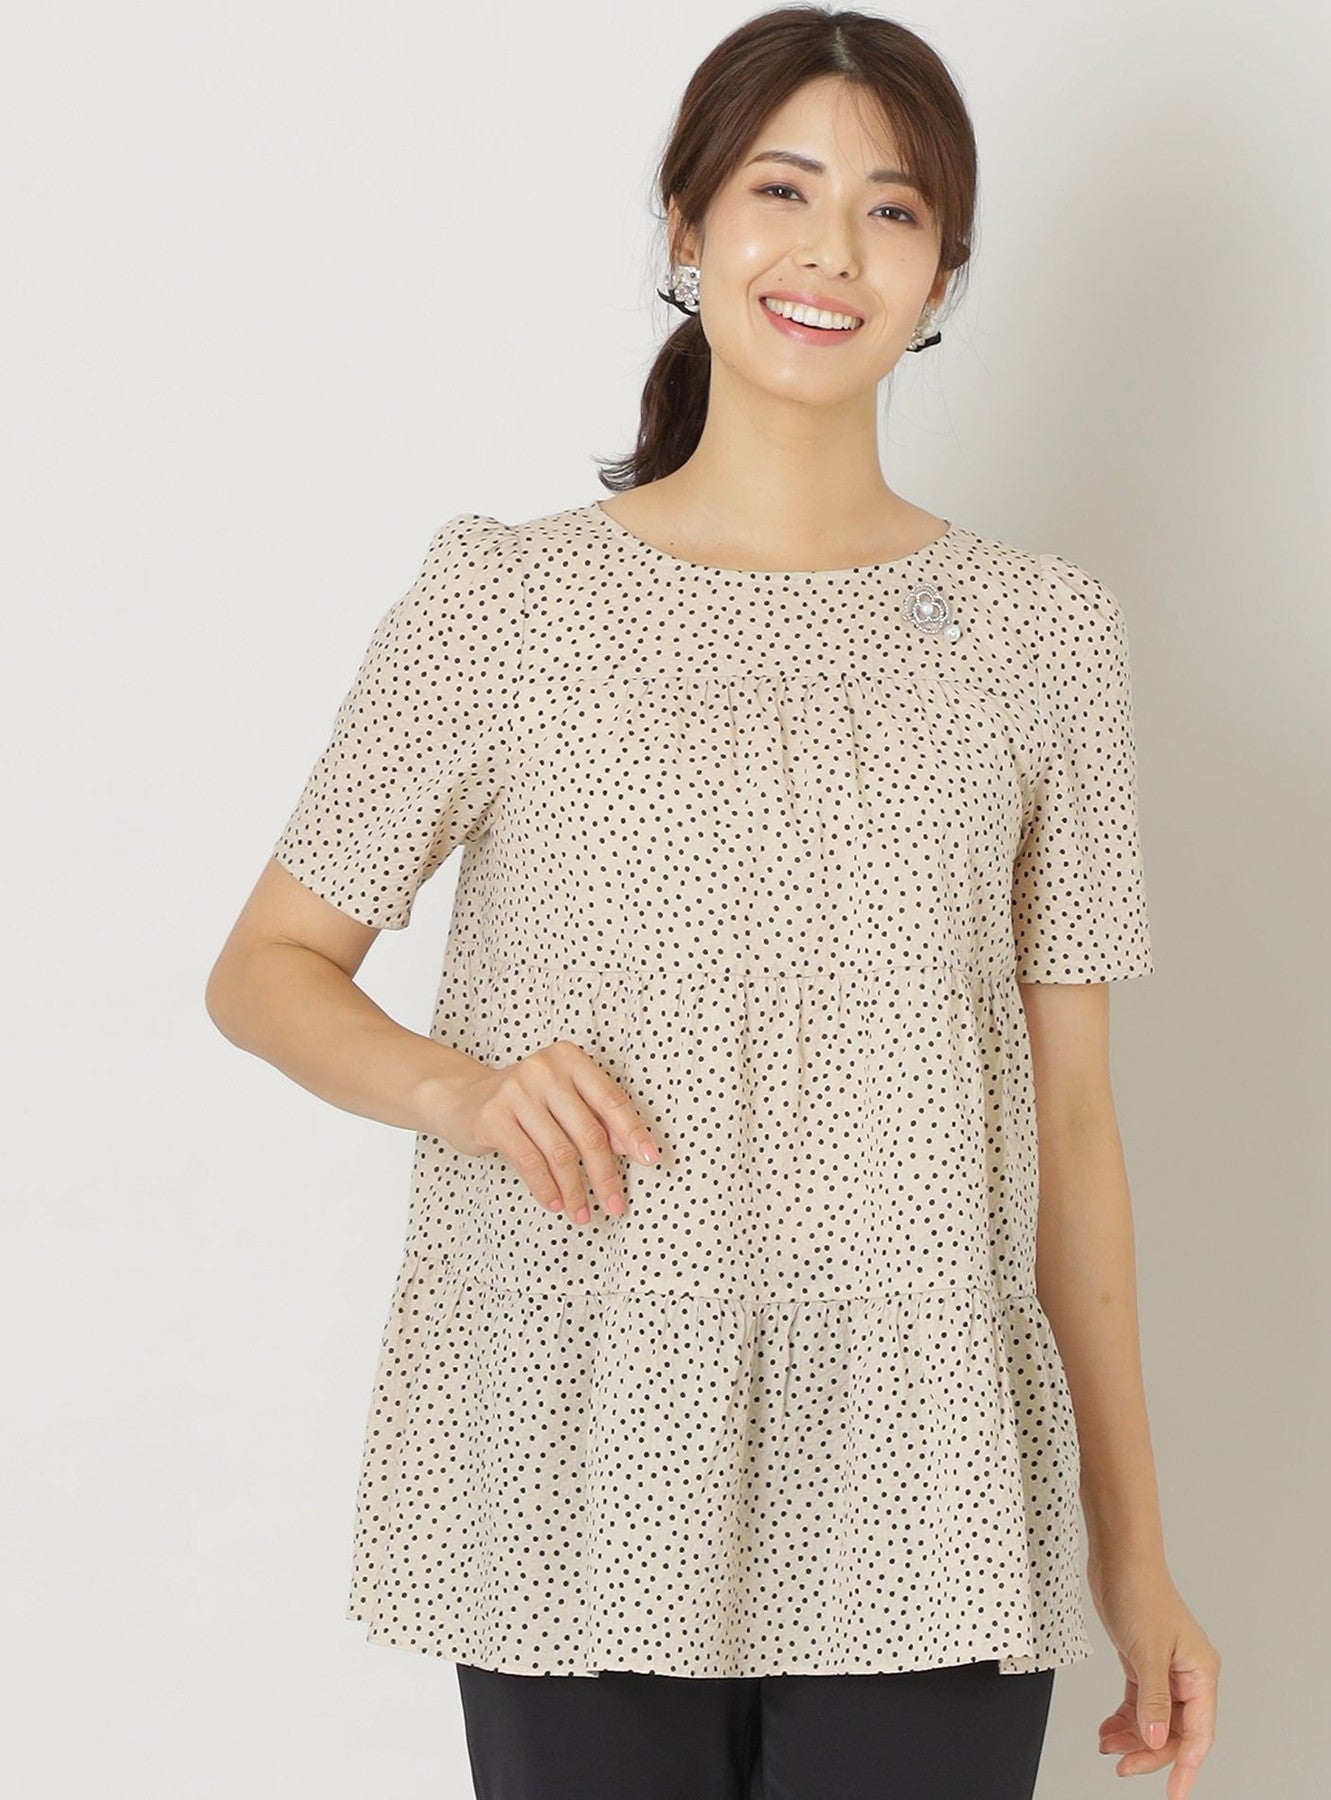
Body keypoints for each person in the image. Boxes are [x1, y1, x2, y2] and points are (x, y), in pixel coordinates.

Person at [205, 7, 1220, 1797]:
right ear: (685, 227)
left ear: (942, 277)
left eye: (893, 211)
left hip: (924, 1480)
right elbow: (269, 968)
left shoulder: (1041, 637)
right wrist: (462, 1088)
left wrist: (1135, 1556)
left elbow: (1075, 1126)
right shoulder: (509, 604)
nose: (831, 250)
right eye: (781, 190)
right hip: (578, 1454)